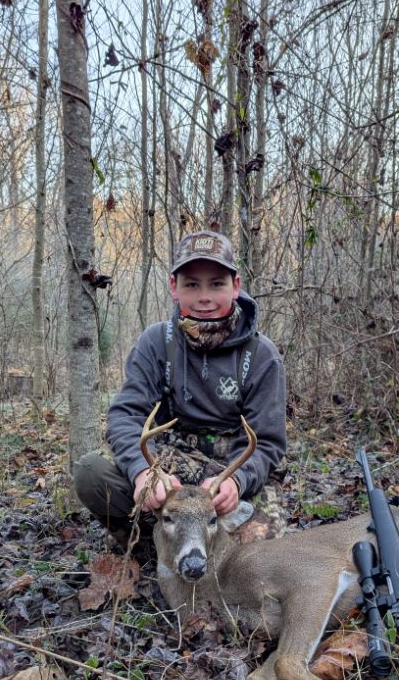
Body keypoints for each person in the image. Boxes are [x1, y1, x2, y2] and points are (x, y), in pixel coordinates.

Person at [73, 229, 287, 548]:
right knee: (92, 472)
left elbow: (266, 442)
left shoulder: (262, 356)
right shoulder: (157, 342)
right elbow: (125, 415)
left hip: (227, 471)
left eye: (217, 284)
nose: (204, 297)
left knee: (261, 551)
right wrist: (143, 471)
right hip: (170, 462)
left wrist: (237, 481)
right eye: (191, 284)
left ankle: (201, 550)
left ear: (236, 286)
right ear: (174, 288)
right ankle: (150, 546)